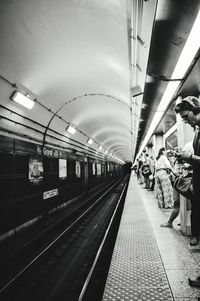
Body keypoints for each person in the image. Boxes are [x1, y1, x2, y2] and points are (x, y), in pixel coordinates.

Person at [174, 95, 200, 287]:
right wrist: (187, 158)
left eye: (185, 116)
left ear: (195, 110)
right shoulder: (197, 131)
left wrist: (191, 156)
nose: (184, 120)